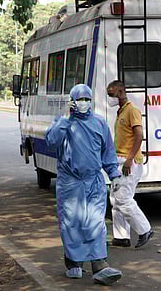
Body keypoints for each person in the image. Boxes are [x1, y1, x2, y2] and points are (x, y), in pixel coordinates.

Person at [45, 84, 123, 286]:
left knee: (95, 222)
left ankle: (100, 265)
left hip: (94, 182)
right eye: (80, 99)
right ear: (72, 101)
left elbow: (108, 152)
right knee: (72, 224)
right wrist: (65, 118)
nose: (84, 103)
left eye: (87, 99)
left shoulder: (99, 123)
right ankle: (73, 261)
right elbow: (52, 142)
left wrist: (114, 174)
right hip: (70, 183)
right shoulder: (63, 123)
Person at [106, 80, 154, 249]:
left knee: (123, 199)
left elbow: (139, 135)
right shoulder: (121, 112)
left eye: (111, 94)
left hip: (128, 162)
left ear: (120, 92)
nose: (109, 97)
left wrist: (129, 159)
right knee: (115, 200)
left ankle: (144, 230)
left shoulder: (132, 111)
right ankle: (121, 237)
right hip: (120, 160)